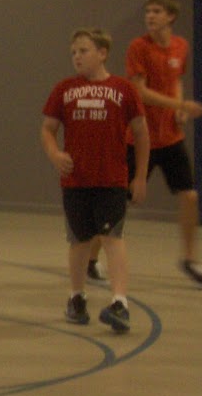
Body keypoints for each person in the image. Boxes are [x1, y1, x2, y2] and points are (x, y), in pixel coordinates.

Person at [90, 0, 202, 286]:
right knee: (116, 202)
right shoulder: (138, 47)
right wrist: (181, 105)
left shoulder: (181, 46)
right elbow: (140, 92)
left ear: (171, 16)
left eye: (157, 11)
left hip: (170, 139)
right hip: (139, 139)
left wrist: (178, 109)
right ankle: (91, 259)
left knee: (190, 196)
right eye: (148, 12)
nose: (150, 16)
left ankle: (189, 259)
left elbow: (176, 81)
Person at [41, 29, 150, 334]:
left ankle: (120, 302)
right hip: (76, 180)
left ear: (102, 53)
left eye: (84, 50)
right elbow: (48, 129)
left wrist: (140, 176)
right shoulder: (64, 89)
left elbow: (141, 133)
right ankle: (76, 297)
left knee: (113, 237)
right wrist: (54, 154)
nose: (77, 57)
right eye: (73, 52)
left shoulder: (123, 90)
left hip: (111, 178)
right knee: (79, 240)